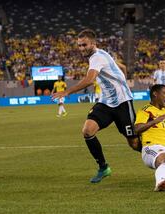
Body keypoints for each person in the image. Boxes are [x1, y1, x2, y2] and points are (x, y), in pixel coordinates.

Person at [52, 29, 140, 183]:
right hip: (106, 102)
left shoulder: (97, 57)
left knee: (133, 143)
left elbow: (89, 79)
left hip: (122, 103)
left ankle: (158, 154)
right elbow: (122, 67)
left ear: (93, 43)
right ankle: (103, 167)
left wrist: (68, 92)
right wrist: (122, 79)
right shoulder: (100, 54)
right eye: (79, 46)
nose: (81, 48)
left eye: (84, 45)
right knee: (87, 130)